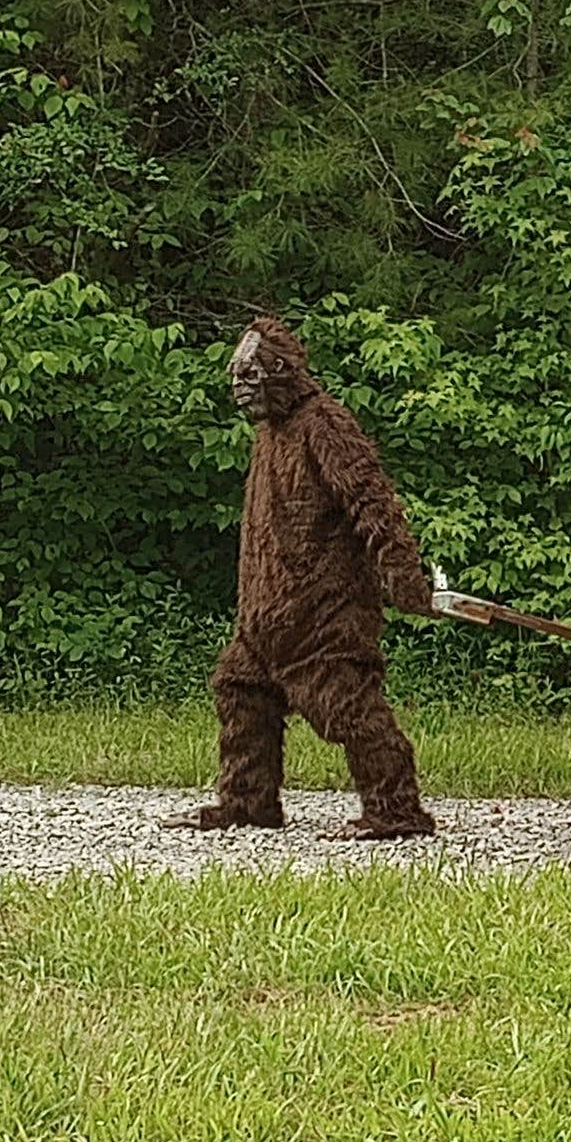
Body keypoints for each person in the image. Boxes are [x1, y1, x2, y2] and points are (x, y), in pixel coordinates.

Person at [161, 317, 438, 840]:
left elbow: (372, 501)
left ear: (281, 372)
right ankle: (247, 803)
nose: (240, 387)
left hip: (324, 611)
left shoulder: (323, 424)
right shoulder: (270, 436)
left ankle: (396, 808)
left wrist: (403, 576)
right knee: (241, 689)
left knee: (344, 705)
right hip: (268, 619)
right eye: (236, 376)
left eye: (251, 374)